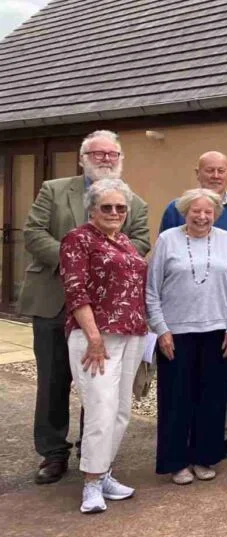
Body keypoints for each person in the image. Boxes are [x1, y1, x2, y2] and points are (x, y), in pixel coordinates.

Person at [21, 129, 149, 485]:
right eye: (98, 153)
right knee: (53, 379)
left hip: (108, 311)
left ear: (120, 159)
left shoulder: (132, 201)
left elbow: (140, 241)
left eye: (112, 154)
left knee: (101, 386)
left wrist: (94, 264)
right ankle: (53, 452)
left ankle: (92, 455)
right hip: (54, 301)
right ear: (83, 158)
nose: (105, 159)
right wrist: (74, 261)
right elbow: (34, 234)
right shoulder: (54, 189)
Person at [159, 151, 227, 461]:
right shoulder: (175, 210)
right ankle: (192, 431)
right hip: (182, 314)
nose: (215, 176)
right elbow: (163, 262)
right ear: (198, 173)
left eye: (221, 171)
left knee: (225, 369)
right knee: (189, 373)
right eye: (209, 170)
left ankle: (226, 430)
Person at [148, 188, 227, 485]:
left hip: (217, 331)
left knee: (212, 398)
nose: (202, 216)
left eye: (208, 212)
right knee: (176, 399)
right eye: (196, 211)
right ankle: (176, 461)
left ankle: (205, 456)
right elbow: (152, 291)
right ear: (185, 212)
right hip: (176, 333)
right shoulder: (168, 240)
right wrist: (161, 329)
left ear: (215, 214)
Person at [59, 179, 148, 513]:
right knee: (100, 407)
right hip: (96, 337)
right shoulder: (77, 239)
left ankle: (105, 471)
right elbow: (75, 289)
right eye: (106, 207)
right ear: (92, 209)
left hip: (132, 334)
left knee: (122, 409)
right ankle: (91, 484)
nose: (114, 213)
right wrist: (94, 338)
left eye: (120, 208)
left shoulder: (124, 241)